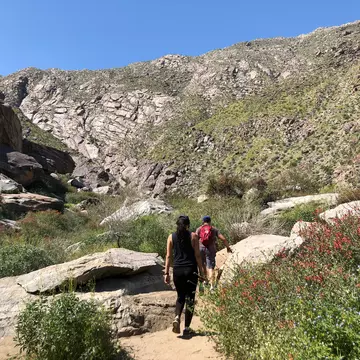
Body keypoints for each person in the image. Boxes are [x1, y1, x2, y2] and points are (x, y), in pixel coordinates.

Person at [164, 215, 203, 337]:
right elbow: (197, 255)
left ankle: (176, 317)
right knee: (190, 298)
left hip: (178, 270)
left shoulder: (171, 237)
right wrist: (202, 272)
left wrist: (166, 273)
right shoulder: (193, 236)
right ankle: (186, 328)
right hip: (191, 270)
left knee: (180, 296)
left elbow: (168, 256)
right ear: (188, 225)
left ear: (177, 224)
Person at [196, 215, 232, 290]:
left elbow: (195, 239)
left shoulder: (199, 229)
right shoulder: (214, 229)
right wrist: (228, 247)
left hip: (201, 249)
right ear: (210, 221)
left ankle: (205, 281)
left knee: (203, 265)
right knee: (210, 267)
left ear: (203, 221)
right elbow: (223, 239)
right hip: (210, 250)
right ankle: (212, 286)